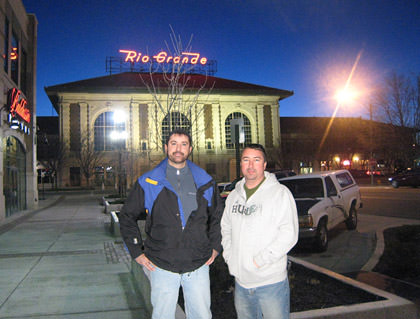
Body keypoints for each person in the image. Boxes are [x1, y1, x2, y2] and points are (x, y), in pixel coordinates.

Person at [119, 129, 222, 319]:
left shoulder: (205, 181)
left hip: (198, 263)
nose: (178, 149)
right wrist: (136, 251)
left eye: (183, 144)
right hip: (161, 264)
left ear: (190, 149)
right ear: (166, 147)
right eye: (173, 143)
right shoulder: (148, 181)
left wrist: (216, 246)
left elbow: (217, 216)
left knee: (202, 315)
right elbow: (127, 216)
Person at [221, 144, 299, 319]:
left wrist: (259, 261)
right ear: (240, 164)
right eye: (246, 160)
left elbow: (289, 234)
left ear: (264, 165)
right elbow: (226, 228)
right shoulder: (233, 196)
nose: (250, 165)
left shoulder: (279, 194)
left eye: (256, 160)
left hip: (271, 283)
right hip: (241, 284)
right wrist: (229, 257)